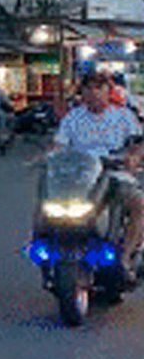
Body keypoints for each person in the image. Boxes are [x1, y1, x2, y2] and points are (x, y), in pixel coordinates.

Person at [51, 70, 144, 279]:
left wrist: (134, 156)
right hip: (79, 176)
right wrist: (47, 158)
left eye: (99, 88)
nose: (93, 93)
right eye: (88, 88)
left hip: (115, 173)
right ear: (82, 93)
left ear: (108, 91)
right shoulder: (73, 118)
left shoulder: (123, 116)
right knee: (46, 201)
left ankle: (126, 256)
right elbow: (59, 145)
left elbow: (139, 143)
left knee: (138, 203)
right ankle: (42, 242)